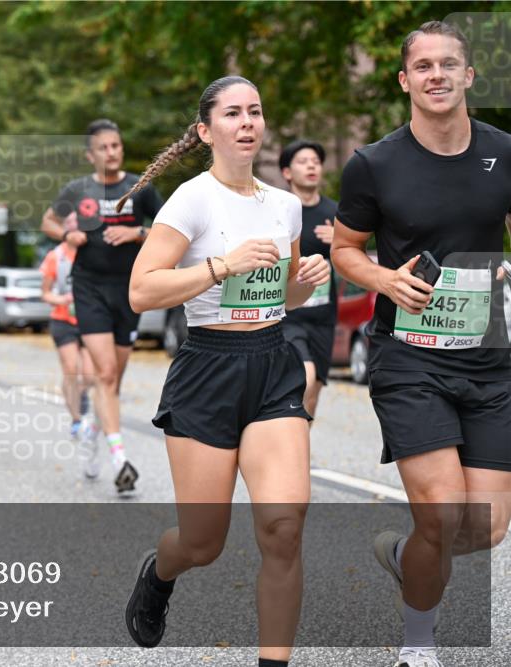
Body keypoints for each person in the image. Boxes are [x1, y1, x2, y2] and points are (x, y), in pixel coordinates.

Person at [123, 76, 330, 666]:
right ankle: (160, 576)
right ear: (205, 130)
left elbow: (280, 300)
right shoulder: (192, 198)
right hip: (207, 370)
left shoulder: (284, 205)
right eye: (233, 113)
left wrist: (301, 283)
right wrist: (220, 265)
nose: (247, 122)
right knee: (202, 543)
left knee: (284, 527)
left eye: (256, 112)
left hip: (272, 366)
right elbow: (141, 291)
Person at [331, 21, 511, 667]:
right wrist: (384, 278)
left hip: (490, 362)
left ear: (469, 76)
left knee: (484, 527)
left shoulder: (504, 151)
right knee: (440, 513)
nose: (437, 75)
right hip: (410, 358)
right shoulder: (373, 163)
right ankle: (417, 641)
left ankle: (408, 556)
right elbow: (343, 248)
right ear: (405, 80)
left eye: (449, 64)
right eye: (424, 66)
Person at [41, 119, 164, 494]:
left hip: (129, 290)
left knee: (113, 380)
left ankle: (94, 436)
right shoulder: (78, 189)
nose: (112, 152)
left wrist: (136, 233)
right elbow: (48, 220)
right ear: (90, 154)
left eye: (117, 145)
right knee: (105, 373)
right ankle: (120, 460)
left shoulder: (140, 187)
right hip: (89, 288)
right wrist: (67, 234)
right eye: (104, 147)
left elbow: (168, 228)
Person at [278, 139, 339, 419]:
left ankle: (298, 455)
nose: (311, 165)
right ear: (287, 172)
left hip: (324, 316)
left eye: (315, 161)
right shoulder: (279, 210)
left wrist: (341, 244)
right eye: (303, 161)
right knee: (306, 375)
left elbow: (355, 262)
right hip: (289, 314)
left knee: (314, 390)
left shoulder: (335, 213)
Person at [39, 240, 95, 472]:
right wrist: (60, 300)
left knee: (90, 376)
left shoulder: (93, 251)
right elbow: (45, 293)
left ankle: (80, 396)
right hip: (63, 320)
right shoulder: (56, 256)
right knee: (71, 368)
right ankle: (76, 419)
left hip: (89, 319)